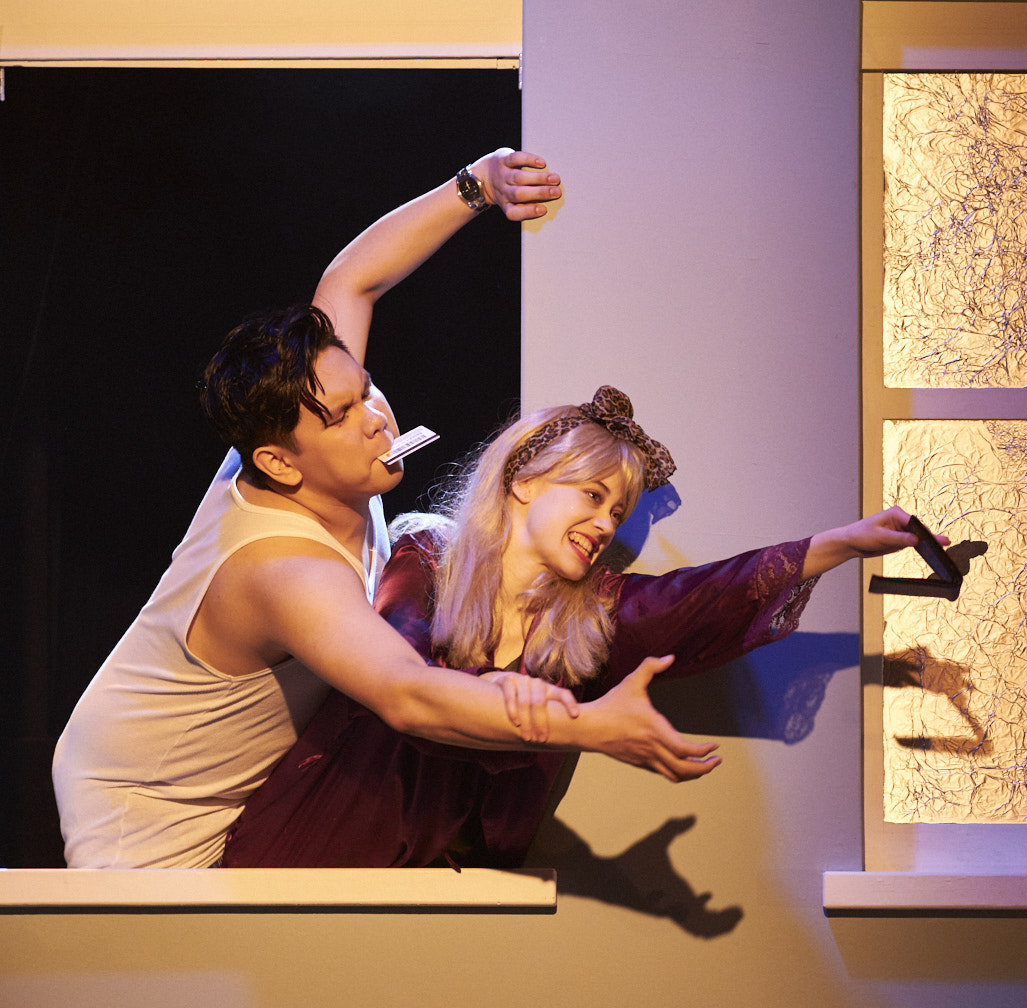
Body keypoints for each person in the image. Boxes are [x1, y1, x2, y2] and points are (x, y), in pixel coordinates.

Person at [52, 150, 722, 869]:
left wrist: (480, 183)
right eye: (345, 415)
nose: (376, 418)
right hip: (147, 816)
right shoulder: (285, 571)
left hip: (243, 793)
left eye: (368, 388)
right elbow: (405, 694)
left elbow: (352, 280)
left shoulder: (302, 437)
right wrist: (589, 726)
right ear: (279, 464)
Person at [218, 384, 940, 868]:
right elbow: (400, 676)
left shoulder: (590, 615)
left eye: (617, 512)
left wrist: (841, 544)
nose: (604, 524)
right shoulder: (428, 555)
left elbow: (704, 596)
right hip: (319, 849)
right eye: (592, 496)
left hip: (448, 893)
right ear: (524, 480)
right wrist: (524, 707)